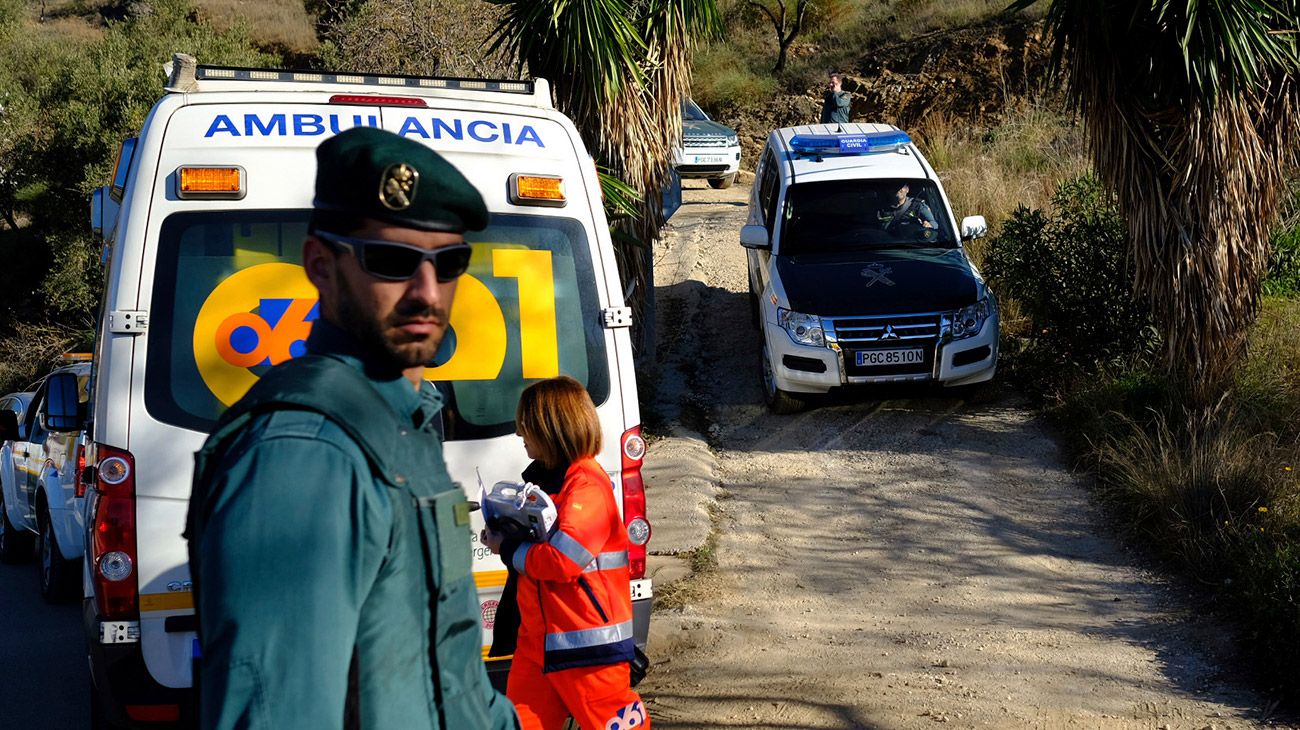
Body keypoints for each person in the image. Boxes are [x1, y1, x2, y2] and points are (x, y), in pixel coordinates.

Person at [184, 126, 520, 730]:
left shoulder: (401, 419)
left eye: (449, 263)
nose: (426, 292)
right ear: (321, 265)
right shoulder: (302, 454)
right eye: (390, 261)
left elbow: (453, 686)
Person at [481, 376, 648, 730]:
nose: (519, 434)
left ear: (550, 428)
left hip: (589, 651)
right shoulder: (554, 483)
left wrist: (507, 547)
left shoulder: (586, 485)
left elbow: (562, 562)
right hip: (539, 645)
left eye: (524, 425)